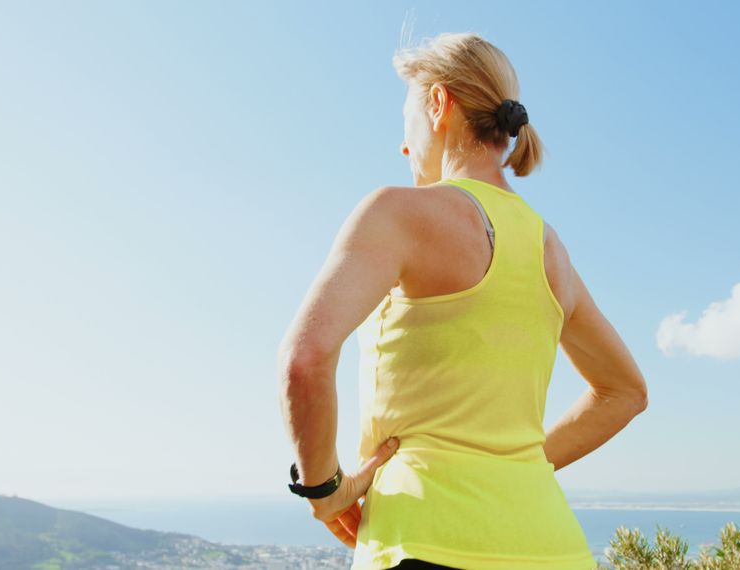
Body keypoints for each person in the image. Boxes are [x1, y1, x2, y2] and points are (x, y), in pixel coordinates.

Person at [278, 31, 649, 570]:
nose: (404, 147)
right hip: (555, 549)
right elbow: (625, 391)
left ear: (438, 104)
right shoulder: (552, 251)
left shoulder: (397, 213)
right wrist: (509, 465)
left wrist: (324, 490)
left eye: (406, 125)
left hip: (422, 541)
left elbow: (304, 360)